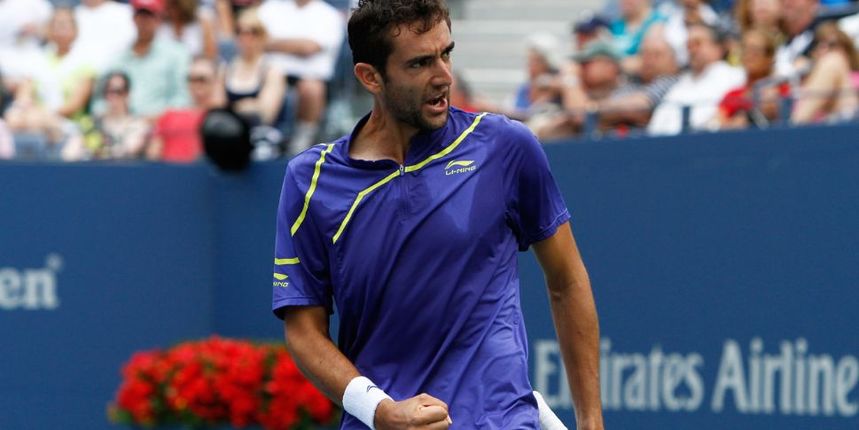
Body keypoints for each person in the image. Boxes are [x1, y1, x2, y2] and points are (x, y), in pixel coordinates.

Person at [271, 1, 604, 429]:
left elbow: (567, 281)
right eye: (420, 63)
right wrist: (380, 410)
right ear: (370, 77)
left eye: (446, 53)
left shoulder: (506, 147)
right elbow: (303, 329)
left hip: (499, 419)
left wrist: (591, 421)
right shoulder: (309, 181)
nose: (444, 75)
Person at [258, 0, 345, 153]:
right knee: (273, 78)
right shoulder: (270, 8)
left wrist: (272, 44)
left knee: (311, 89)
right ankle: (262, 135)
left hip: (312, 79)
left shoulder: (328, 15)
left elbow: (309, 47)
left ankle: (301, 143)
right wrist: (298, 45)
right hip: (268, 75)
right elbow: (255, 39)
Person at [647, 23, 745, 135]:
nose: (692, 50)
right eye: (688, 45)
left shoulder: (735, 75)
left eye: (698, 43)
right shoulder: (680, 84)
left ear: (718, 48)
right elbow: (656, 126)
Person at [112, 0, 191, 120]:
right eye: (140, 15)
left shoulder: (176, 54)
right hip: (123, 124)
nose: (144, 21)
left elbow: (182, 97)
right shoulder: (119, 57)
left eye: (149, 16)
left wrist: (157, 118)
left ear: (159, 19)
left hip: (164, 125)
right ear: (134, 18)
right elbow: (101, 100)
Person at [717, 29, 788, 129]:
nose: (749, 56)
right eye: (745, 50)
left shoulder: (782, 91)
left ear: (770, 57)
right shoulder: (732, 95)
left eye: (755, 50)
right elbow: (718, 124)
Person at [791, 22, 859, 124]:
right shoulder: (806, 80)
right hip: (814, 131)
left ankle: (794, 128)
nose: (825, 48)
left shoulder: (854, 76)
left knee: (833, 61)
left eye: (832, 44)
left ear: (846, 49)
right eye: (820, 44)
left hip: (849, 125)